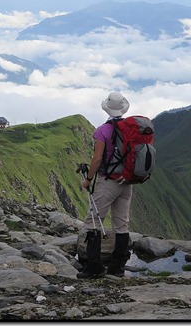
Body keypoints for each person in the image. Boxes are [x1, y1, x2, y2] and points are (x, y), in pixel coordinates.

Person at [77, 91, 132, 279]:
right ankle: (118, 267)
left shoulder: (103, 130)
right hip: (126, 181)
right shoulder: (130, 129)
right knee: (121, 223)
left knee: (92, 221)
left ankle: (94, 267)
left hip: (108, 181)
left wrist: (88, 179)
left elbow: (97, 158)